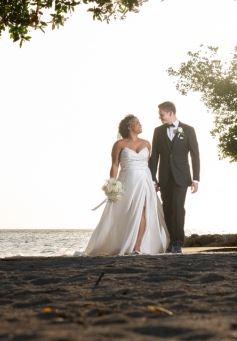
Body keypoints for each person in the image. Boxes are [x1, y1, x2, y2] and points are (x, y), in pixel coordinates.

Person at [84, 114, 169, 256]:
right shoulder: (119, 144)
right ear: (129, 126)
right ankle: (122, 241)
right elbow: (115, 165)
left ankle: (137, 246)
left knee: (143, 209)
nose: (140, 125)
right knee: (127, 211)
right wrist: (113, 183)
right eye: (137, 122)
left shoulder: (147, 143)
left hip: (144, 180)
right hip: (127, 181)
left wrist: (154, 181)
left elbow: (149, 164)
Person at [148, 101, 200, 254]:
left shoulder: (187, 130)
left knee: (178, 208)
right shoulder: (158, 131)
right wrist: (153, 179)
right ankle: (170, 241)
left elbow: (195, 155)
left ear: (170, 113)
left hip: (181, 177)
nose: (160, 117)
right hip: (164, 178)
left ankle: (177, 242)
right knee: (167, 209)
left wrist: (196, 179)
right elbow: (154, 157)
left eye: (161, 114)